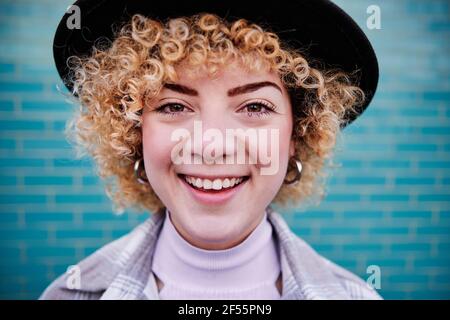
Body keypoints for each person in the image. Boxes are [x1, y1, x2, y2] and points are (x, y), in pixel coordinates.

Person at [41, 0, 381, 299]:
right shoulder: (68, 295)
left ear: (297, 134)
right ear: (135, 134)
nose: (212, 146)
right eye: (173, 106)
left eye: (256, 107)